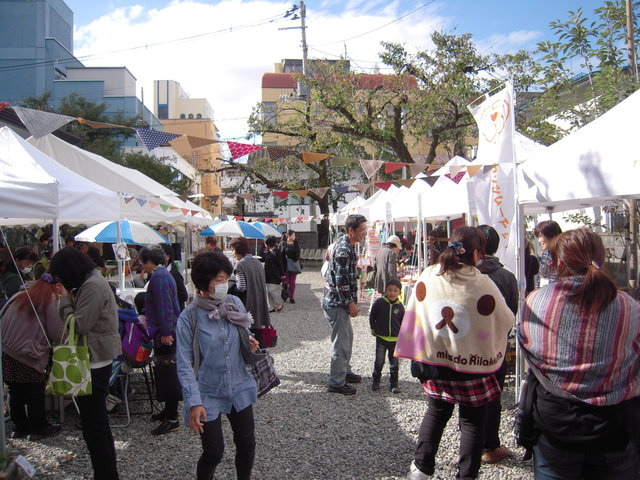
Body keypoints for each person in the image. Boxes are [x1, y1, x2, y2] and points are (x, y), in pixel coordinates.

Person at [517, 228, 640, 480]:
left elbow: (526, 343)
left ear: (559, 261)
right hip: (614, 424)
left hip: (555, 423)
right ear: (601, 259)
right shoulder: (628, 306)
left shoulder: (537, 301)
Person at [394, 226, 514, 480]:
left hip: (435, 360)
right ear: (477, 252)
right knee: (471, 421)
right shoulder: (481, 282)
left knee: (436, 411)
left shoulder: (429, 274)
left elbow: (415, 309)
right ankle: (467, 475)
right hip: (472, 364)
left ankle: (421, 469)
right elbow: (505, 319)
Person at [175, 251, 260, 480]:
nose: (225, 284)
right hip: (208, 392)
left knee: (246, 442)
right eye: (219, 280)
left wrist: (249, 343)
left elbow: (244, 332)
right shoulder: (189, 317)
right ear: (204, 283)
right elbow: (184, 364)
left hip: (239, 385)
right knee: (213, 451)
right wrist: (193, 402)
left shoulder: (233, 303)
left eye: (226, 278)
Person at [49, 247, 121, 480]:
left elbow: (79, 325)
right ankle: (107, 473)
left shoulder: (91, 286)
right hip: (97, 357)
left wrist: (64, 301)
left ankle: (105, 474)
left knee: (94, 426)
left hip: (94, 361)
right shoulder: (93, 281)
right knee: (97, 423)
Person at [1, 273, 63, 439]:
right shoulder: (49, 298)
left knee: (15, 390)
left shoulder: (19, 295)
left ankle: (19, 428)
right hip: (29, 351)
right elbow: (56, 331)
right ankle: (38, 428)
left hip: (7, 348)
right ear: (55, 286)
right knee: (34, 390)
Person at [476, 225, 518, 465]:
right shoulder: (506, 277)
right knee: (493, 394)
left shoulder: (468, 273)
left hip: (468, 346)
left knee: (470, 393)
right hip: (497, 344)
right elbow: (512, 312)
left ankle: (471, 440)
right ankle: (490, 445)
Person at [322, 214, 368, 395]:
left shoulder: (347, 245)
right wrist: (350, 304)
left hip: (337, 302)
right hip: (336, 304)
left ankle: (344, 372)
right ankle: (336, 382)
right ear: (351, 231)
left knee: (347, 338)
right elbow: (340, 282)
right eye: (362, 230)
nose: (365, 233)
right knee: (341, 343)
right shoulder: (343, 249)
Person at [139, 244, 181, 436]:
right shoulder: (162, 274)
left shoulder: (159, 277)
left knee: (168, 373)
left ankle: (172, 418)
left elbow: (165, 307)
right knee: (165, 371)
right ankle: (168, 411)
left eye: (143, 262)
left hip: (166, 332)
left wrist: (165, 332)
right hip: (165, 331)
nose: (142, 266)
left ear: (150, 261)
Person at [369, 278, 405, 393]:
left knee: (394, 363)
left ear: (399, 292)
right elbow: (372, 316)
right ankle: (376, 381)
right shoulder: (379, 303)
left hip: (395, 340)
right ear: (385, 291)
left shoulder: (400, 307)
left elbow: (403, 322)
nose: (392, 293)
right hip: (381, 338)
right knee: (379, 361)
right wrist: (373, 328)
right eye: (390, 290)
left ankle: (394, 384)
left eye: (395, 291)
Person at [229, 237, 271, 333]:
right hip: (260, 302)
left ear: (238, 249)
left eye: (233, 250)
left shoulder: (240, 264)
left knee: (248, 336)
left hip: (248, 303)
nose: (232, 253)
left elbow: (241, 287)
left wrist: (231, 286)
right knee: (257, 335)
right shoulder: (257, 262)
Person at [260, 235, 285, 313]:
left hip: (274, 274)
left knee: (271, 290)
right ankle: (272, 306)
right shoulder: (269, 251)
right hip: (267, 274)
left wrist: (282, 274)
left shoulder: (276, 252)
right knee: (267, 291)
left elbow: (280, 263)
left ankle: (280, 303)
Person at [160, 243, 188, 311]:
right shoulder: (161, 272)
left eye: (160, 254)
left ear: (167, 257)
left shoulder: (174, 274)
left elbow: (184, 296)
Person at [534, 220, 562, 286]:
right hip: (545, 292)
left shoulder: (565, 253)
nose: (539, 240)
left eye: (541, 236)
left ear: (552, 235)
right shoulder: (546, 254)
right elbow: (541, 276)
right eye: (538, 237)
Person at [281, 230, 301, 304]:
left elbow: (298, 255)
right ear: (288, 236)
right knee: (286, 282)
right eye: (293, 235)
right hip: (285, 266)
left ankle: (291, 297)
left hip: (293, 265)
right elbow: (280, 255)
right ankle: (284, 295)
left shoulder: (296, 244)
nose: (294, 237)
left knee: (292, 283)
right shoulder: (283, 244)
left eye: (294, 235)